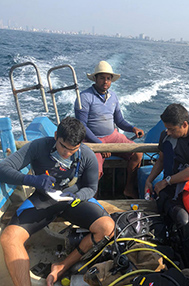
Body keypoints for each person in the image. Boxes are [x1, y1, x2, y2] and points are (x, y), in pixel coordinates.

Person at [0, 118, 114, 286]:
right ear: (55, 136)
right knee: (9, 238)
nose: (66, 153)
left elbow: (90, 188)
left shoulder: (87, 155)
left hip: (72, 201)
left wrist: (77, 196)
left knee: (107, 228)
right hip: (43, 199)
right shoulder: (39, 146)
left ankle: (61, 265)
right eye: (63, 146)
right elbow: (3, 169)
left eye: (73, 149)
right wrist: (33, 180)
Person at [143, 103, 189, 272]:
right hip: (170, 192)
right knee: (183, 221)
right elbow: (160, 161)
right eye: (166, 129)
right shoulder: (165, 136)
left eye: (171, 129)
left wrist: (166, 181)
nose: (168, 132)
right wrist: (150, 180)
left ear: (184, 124)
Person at [75, 60, 145, 198]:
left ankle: (129, 188)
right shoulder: (84, 97)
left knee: (138, 153)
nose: (105, 81)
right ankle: (91, 199)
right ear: (95, 78)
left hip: (113, 136)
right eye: (102, 78)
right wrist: (100, 145)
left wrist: (133, 128)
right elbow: (82, 126)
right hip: (91, 140)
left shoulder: (113, 96)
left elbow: (119, 121)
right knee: (94, 169)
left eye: (108, 78)